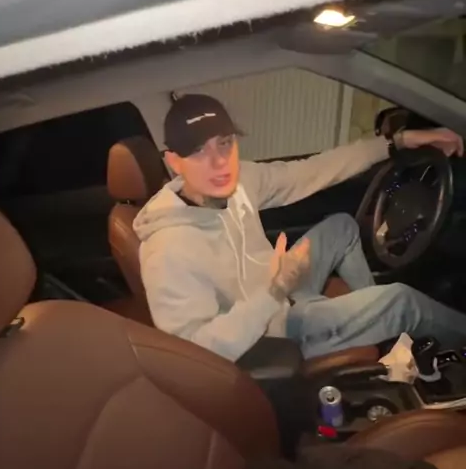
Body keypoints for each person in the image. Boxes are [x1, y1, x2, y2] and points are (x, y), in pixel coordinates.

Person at [134, 94, 466, 363]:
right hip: (276, 333)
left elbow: (311, 171)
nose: (219, 161)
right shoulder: (168, 251)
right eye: (198, 151)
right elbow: (198, 354)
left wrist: (397, 142)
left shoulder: (237, 182)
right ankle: (383, 319)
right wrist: (273, 291)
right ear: (174, 161)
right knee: (400, 301)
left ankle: (377, 329)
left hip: (284, 291)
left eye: (224, 143)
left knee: (342, 227)